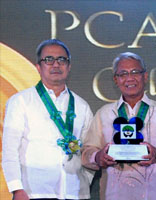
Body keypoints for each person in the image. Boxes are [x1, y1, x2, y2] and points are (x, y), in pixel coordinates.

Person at [81, 52, 156, 200]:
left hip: (153, 195)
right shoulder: (104, 113)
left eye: (135, 72)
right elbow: (86, 152)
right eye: (123, 74)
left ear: (145, 76)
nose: (129, 78)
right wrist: (98, 157)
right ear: (116, 80)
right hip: (113, 195)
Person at [2, 39, 94, 200]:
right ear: (38, 67)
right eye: (49, 60)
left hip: (74, 194)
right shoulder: (20, 101)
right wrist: (16, 189)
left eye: (62, 60)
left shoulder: (82, 106)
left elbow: (89, 150)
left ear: (69, 66)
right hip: (34, 193)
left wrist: (83, 184)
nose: (56, 65)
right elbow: (10, 151)